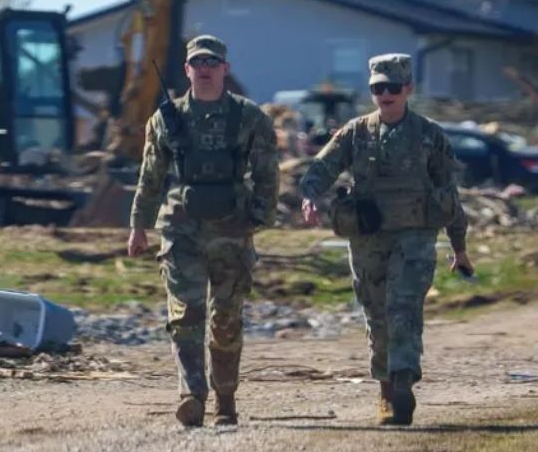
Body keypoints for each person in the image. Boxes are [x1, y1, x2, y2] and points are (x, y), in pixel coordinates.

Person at [299, 53, 472, 426]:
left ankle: (403, 380)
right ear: (371, 90)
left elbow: (449, 196)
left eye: (393, 87)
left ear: (408, 89)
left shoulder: (429, 135)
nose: (386, 94)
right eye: (378, 88)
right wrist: (310, 195)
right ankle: (386, 389)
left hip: (415, 237)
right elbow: (323, 168)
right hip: (368, 239)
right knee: (377, 315)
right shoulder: (356, 132)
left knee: (404, 309)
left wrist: (459, 248)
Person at [126, 34, 279, 427]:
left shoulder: (249, 118)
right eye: (199, 63)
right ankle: (191, 394)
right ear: (187, 70)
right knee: (184, 316)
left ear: (225, 69)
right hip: (181, 231)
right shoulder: (166, 119)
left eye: (213, 63)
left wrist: (261, 216)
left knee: (226, 318)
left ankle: (225, 398)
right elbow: (150, 177)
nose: (206, 69)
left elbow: (266, 173)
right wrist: (138, 226)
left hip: (232, 231)